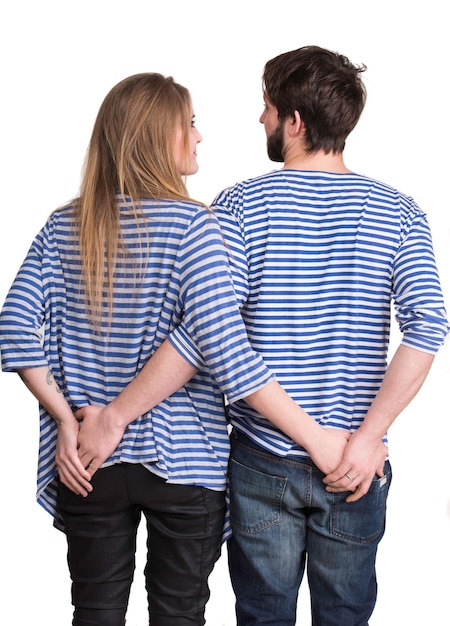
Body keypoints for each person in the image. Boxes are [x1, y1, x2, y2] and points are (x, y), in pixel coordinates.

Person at [73, 47, 449, 626]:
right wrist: (369, 437)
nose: (261, 120)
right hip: (356, 461)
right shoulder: (400, 211)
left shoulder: (241, 206)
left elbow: (205, 333)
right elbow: (429, 327)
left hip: (262, 459)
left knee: (261, 615)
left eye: (268, 108)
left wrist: (116, 414)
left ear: (295, 123)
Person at [0, 72, 350, 626]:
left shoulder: (64, 225)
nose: (199, 136)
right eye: (189, 123)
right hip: (186, 463)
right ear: (157, 136)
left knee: (94, 611)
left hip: (88, 459)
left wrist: (67, 422)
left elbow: (15, 327)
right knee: (179, 614)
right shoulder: (196, 226)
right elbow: (223, 345)